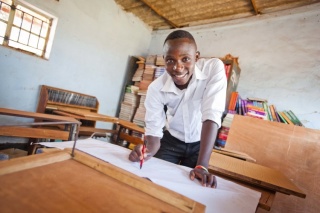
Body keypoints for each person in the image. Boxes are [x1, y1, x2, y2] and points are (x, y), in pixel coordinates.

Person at [128, 30, 227, 188]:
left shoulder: (213, 69)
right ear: (164, 61)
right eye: (170, 60)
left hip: (201, 143)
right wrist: (146, 151)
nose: (178, 68)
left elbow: (212, 113)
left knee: (192, 188)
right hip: (171, 141)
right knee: (154, 182)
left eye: (185, 59)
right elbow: (154, 133)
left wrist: (201, 165)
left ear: (197, 57)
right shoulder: (156, 88)